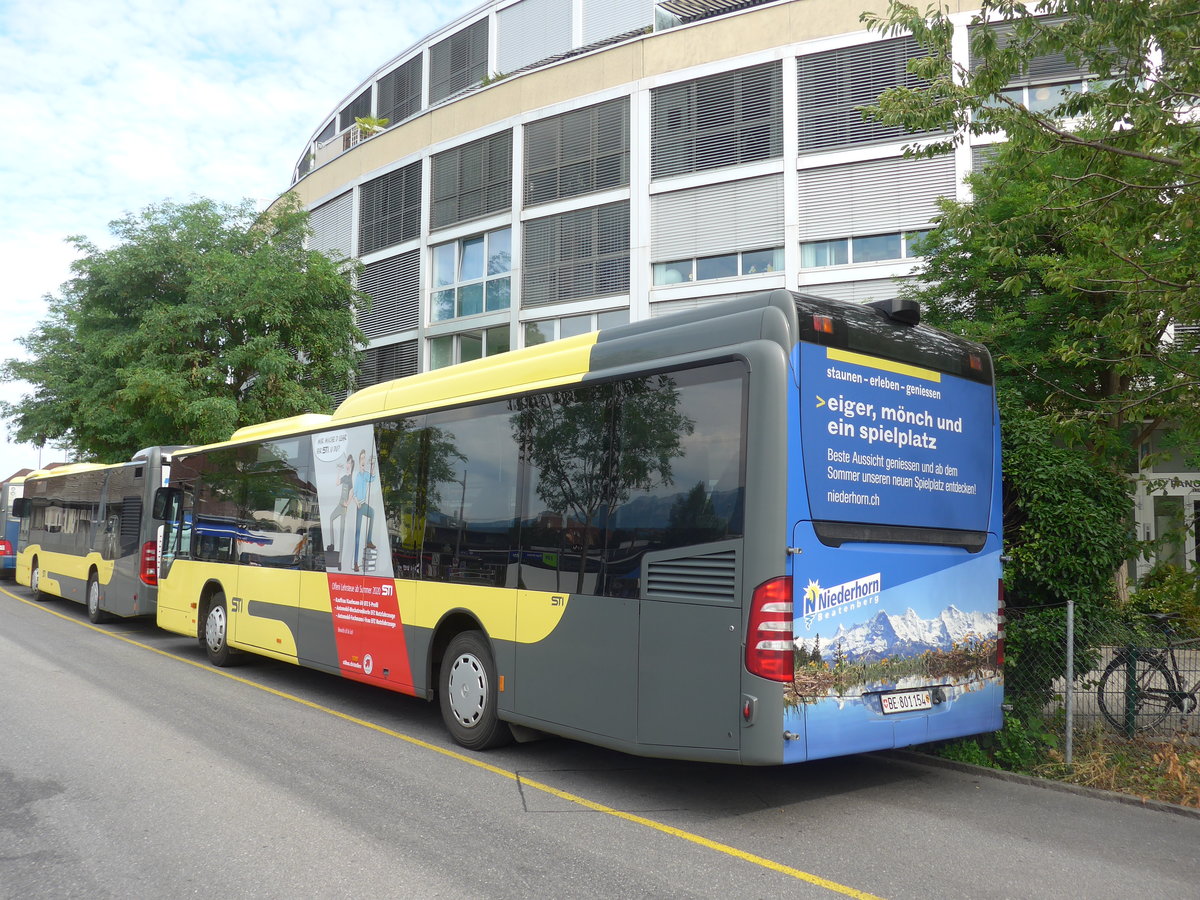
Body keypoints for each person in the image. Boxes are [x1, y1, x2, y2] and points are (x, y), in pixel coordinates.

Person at [352, 449, 377, 571]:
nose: (363, 460)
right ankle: (356, 563)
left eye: (364, 458)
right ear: (358, 461)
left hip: (364, 505)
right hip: (359, 506)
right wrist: (357, 504)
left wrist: (373, 465)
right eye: (361, 458)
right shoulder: (357, 476)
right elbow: (354, 493)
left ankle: (368, 540)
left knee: (372, 513)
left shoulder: (365, 474)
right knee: (357, 536)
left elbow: (372, 478)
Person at [327, 453, 354, 564]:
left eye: (349, 463)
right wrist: (338, 470)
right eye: (347, 462)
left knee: (342, 534)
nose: (348, 464)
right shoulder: (345, 477)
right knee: (331, 518)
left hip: (343, 508)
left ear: (352, 465)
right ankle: (332, 544)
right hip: (339, 504)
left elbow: (352, 492)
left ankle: (339, 561)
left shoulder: (352, 479)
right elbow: (337, 483)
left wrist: (347, 503)